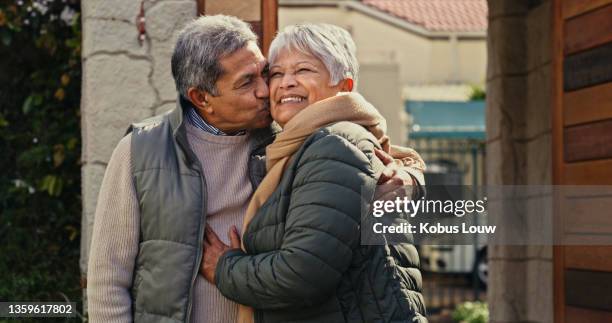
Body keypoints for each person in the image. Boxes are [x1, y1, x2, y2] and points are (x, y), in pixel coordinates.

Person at [87, 15, 424, 323]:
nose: (267, 90)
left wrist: (407, 180)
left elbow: (377, 153)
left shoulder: (291, 135)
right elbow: (108, 278)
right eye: (248, 82)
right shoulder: (142, 150)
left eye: (264, 73)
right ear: (202, 98)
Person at [201, 23, 427, 323]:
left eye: (304, 70)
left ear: (344, 87)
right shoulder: (304, 145)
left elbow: (302, 274)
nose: (286, 83)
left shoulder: (335, 144)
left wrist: (224, 267)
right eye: (277, 73)